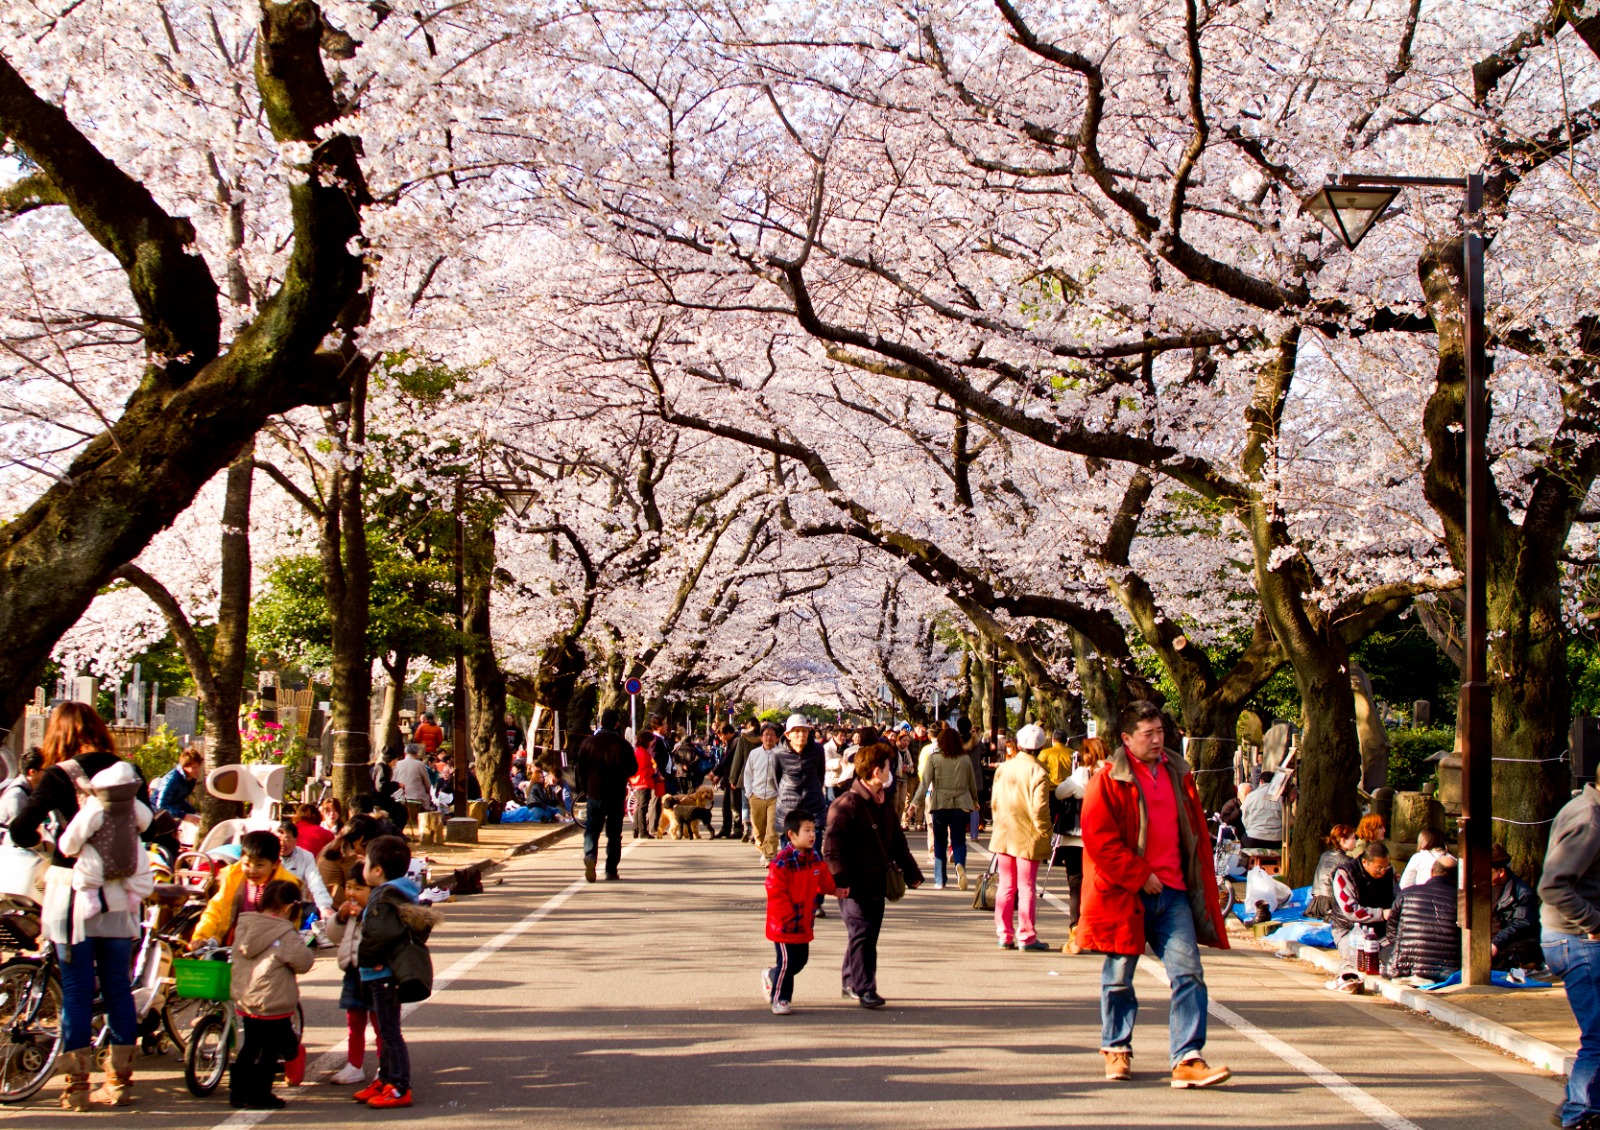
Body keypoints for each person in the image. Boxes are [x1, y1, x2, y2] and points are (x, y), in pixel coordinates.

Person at [8, 702, 160, 1109]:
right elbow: (151, 827)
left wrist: (49, 845)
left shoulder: (60, 775)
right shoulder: (128, 774)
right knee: (117, 987)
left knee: (75, 988)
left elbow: (21, 829)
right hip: (119, 895)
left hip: (71, 895)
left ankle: (76, 1087)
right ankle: (121, 1080)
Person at [1078, 700, 1230, 1088]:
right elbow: (1099, 839)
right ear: (1127, 739)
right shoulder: (1109, 779)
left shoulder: (1179, 773)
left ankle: (1188, 1057)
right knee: (1118, 976)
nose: (1158, 740)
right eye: (1149, 734)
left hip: (1174, 890)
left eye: (1161, 732)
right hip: (1126, 893)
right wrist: (1139, 875)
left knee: (1188, 974)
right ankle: (1116, 1047)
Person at [823, 743, 924, 1008]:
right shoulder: (846, 805)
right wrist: (839, 882)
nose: (892, 771)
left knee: (865, 935)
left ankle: (849, 980)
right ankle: (864, 987)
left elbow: (897, 841)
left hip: (877, 881)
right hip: (853, 885)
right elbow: (832, 848)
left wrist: (912, 872)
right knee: (863, 933)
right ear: (877, 772)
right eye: (889, 767)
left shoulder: (883, 802)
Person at [356, 834, 442, 1109]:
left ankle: (400, 1086)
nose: (363, 868)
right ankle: (386, 1079)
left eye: (366, 863)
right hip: (386, 974)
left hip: (382, 974)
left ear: (378, 870)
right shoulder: (401, 891)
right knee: (386, 1031)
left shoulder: (383, 896)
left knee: (390, 1033)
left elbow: (379, 934)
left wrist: (365, 958)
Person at [1539, 782, 1600, 1129]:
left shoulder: (1582, 807)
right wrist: (1594, 922)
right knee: (1598, 1034)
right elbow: (1552, 885)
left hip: (1570, 936)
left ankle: (1578, 1104)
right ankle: (1581, 1114)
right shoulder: (1590, 819)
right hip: (1577, 938)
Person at [228, 878, 315, 1110]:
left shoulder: (245, 925)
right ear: (289, 908)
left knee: (250, 1045)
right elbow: (304, 962)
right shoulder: (285, 932)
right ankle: (260, 1094)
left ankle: (238, 1091)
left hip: (246, 998)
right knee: (269, 1050)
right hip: (273, 1001)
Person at [763, 810, 837, 1015]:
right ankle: (780, 999)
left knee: (800, 961)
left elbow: (823, 878)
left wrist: (836, 889)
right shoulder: (783, 861)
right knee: (786, 963)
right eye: (807, 830)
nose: (812, 834)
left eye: (813, 830)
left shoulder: (813, 858)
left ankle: (772, 975)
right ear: (792, 835)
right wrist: (786, 915)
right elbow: (775, 890)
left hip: (803, 922)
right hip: (784, 925)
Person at [990, 723, 1052, 951]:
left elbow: (995, 802)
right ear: (1041, 747)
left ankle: (1004, 934)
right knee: (1026, 886)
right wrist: (1045, 829)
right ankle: (1026, 935)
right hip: (1027, 835)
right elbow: (1040, 808)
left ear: (1017, 744)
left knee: (1006, 885)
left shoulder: (1003, 768)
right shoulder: (1039, 772)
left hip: (1005, 831)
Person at [191, 830, 301, 949]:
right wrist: (201, 936)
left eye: (259, 865)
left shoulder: (285, 885)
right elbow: (215, 910)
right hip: (231, 944)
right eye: (247, 864)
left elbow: (291, 923)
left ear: (275, 864)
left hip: (268, 947)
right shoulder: (233, 877)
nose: (252, 871)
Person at [324, 863, 380, 1086]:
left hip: (375, 973)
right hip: (352, 971)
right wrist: (339, 917)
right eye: (348, 887)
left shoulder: (377, 911)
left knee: (380, 1022)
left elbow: (380, 934)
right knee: (354, 1021)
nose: (351, 893)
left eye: (358, 889)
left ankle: (384, 1065)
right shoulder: (348, 913)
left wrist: (364, 915)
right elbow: (333, 936)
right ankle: (354, 1065)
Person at [1055, 736, 1110, 940]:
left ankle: (1076, 926)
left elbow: (1060, 793)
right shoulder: (1111, 773)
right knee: (1098, 885)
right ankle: (1097, 927)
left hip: (1075, 838)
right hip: (1101, 839)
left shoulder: (1080, 773)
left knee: (1076, 884)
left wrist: (1078, 791)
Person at [1326, 842, 1398, 993]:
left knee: (1394, 957)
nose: (1383, 872)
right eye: (1379, 868)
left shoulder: (1389, 873)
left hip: (1382, 931)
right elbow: (1350, 910)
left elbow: (1398, 899)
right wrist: (1382, 914)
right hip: (1349, 929)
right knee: (1355, 960)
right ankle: (1346, 980)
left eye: (1386, 867)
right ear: (1365, 862)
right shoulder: (1345, 874)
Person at [912, 728, 978, 890]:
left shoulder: (934, 759)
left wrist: (915, 803)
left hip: (940, 803)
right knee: (959, 840)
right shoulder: (965, 759)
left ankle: (940, 879)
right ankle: (959, 865)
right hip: (961, 803)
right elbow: (972, 783)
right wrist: (975, 800)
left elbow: (925, 782)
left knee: (939, 841)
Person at [576, 711, 634, 882]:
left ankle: (590, 855)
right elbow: (632, 769)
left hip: (594, 792)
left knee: (592, 829)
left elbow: (580, 769)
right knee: (614, 834)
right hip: (616, 794)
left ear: (601, 722)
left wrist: (586, 788)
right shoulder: (622, 745)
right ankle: (611, 870)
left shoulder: (588, 743)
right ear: (616, 724)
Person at [1383, 855, 1460, 984]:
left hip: (1405, 965)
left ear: (1432, 872)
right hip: (1447, 968)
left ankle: (1414, 974)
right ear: (1457, 877)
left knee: (1384, 950)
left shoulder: (1406, 894)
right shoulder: (1461, 900)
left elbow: (1391, 932)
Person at [773, 715, 827, 846]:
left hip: (813, 805)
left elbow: (820, 774)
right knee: (789, 856)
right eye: (796, 731)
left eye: (804, 730)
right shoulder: (778, 752)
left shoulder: (818, 750)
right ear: (788, 734)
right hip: (788, 807)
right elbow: (777, 778)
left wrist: (814, 790)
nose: (801, 734)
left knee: (814, 855)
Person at [1491, 843, 1540, 969]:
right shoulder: (1477, 888)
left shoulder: (1522, 893)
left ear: (1501, 872)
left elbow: (1521, 924)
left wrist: (1496, 943)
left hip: (1508, 941)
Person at [276, 819, 335, 920]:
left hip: (296, 906)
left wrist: (324, 907)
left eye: (287, 839)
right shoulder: (270, 856)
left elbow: (315, 882)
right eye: (279, 839)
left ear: (295, 840)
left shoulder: (305, 856)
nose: (282, 843)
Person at [745, 722, 781, 862]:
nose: (769, 738)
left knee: (772, 830)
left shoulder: (781, 754)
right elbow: (748, 774)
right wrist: (749, 793)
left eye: (772, 735)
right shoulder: (754, 754)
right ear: (761, 738)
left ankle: (769, 856)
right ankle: (762, 847)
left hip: (775, 796)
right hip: (757, 796)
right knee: (759, 830)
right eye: (766, 735)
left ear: (777, 738)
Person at [1307, 824, 1359, 920]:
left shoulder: (1325, 854)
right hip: (1332, 904)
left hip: (1315, 904)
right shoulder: (1347, 861)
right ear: (1343, 841)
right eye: (1353, 838)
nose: (1356, 841)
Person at [628, 734, 665, 840]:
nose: (652, 743)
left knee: (640, 807)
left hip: (640, 781)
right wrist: (654, 772)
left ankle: (635, 829)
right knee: (642, 808)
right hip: (643, 781)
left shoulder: (639, 751)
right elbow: (644, 769)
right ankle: (642, 831)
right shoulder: (643, 753)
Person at [152, 746, 204, 820]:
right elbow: (161, 806)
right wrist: (184, 816)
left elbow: (178, 800)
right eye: (193, 768)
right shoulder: (172, 779)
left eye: (198, 767)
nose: (197, 770)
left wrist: (192, 812)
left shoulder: (191, 778)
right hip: (156, 816)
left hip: (170, 812)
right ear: (184, 767)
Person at [391, 744, 432, 830]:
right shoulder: (420, 765)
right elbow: (427, 784)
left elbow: (392, 780)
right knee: (427, 798)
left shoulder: (397, 764)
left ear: (405, 753)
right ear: (417, 754)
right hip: (416, 797)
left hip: (399, 796)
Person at [1239, 778, 1283, 849]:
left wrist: (1249, 828)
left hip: (1254, 838)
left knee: (1243, 840)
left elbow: (1244, 816)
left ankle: (1248, 860)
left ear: (1261, 781)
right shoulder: (1281, 797)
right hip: (1276, 840)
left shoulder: (1252, 795)